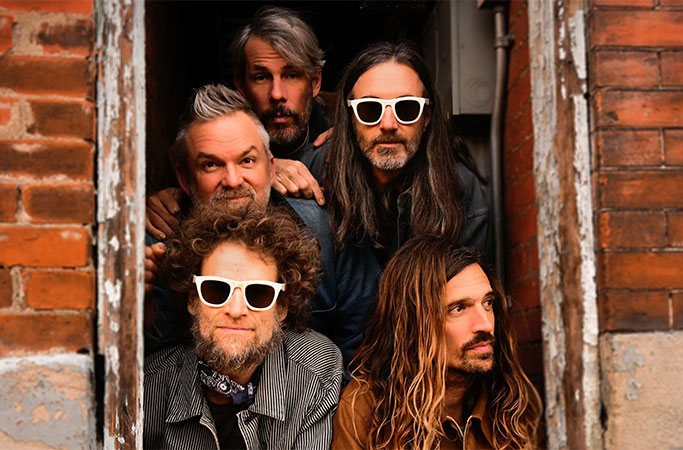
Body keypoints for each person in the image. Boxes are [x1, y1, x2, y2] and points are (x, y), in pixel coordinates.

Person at [145, 84, 378, 366]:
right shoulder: (157, 252)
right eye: (211, 165)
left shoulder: (330, 233)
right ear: (184, 178)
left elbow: (366, 349)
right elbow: (158, 367)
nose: (232, 180)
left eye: (247, 160)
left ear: (270, 167)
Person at [144, 203, 343, 449]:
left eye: (258, 293)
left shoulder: (315, 370)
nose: (236, 310)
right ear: (194, 299)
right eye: (216, 290)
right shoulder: (147, 389)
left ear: (281, 307)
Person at [332, 236, 542, 449]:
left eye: (487, 303)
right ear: (415, 324)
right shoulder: (366, 409)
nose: (485, 324)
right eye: (458, 308)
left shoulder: (510, 401)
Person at [147, 6, 330, 238]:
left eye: (291, 75)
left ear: (315, 83)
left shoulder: (336, 146)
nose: (276, 94)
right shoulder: (198, 143)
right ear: (241, 87)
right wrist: (151, 205)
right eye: (261, 77)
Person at [302, 42, 490, 265]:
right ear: (351, 117)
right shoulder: (310, 172)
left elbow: (467, 291)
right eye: (370, 109)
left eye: (407, 108)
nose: (388, 124)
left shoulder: (460, 190)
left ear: (426, 118)